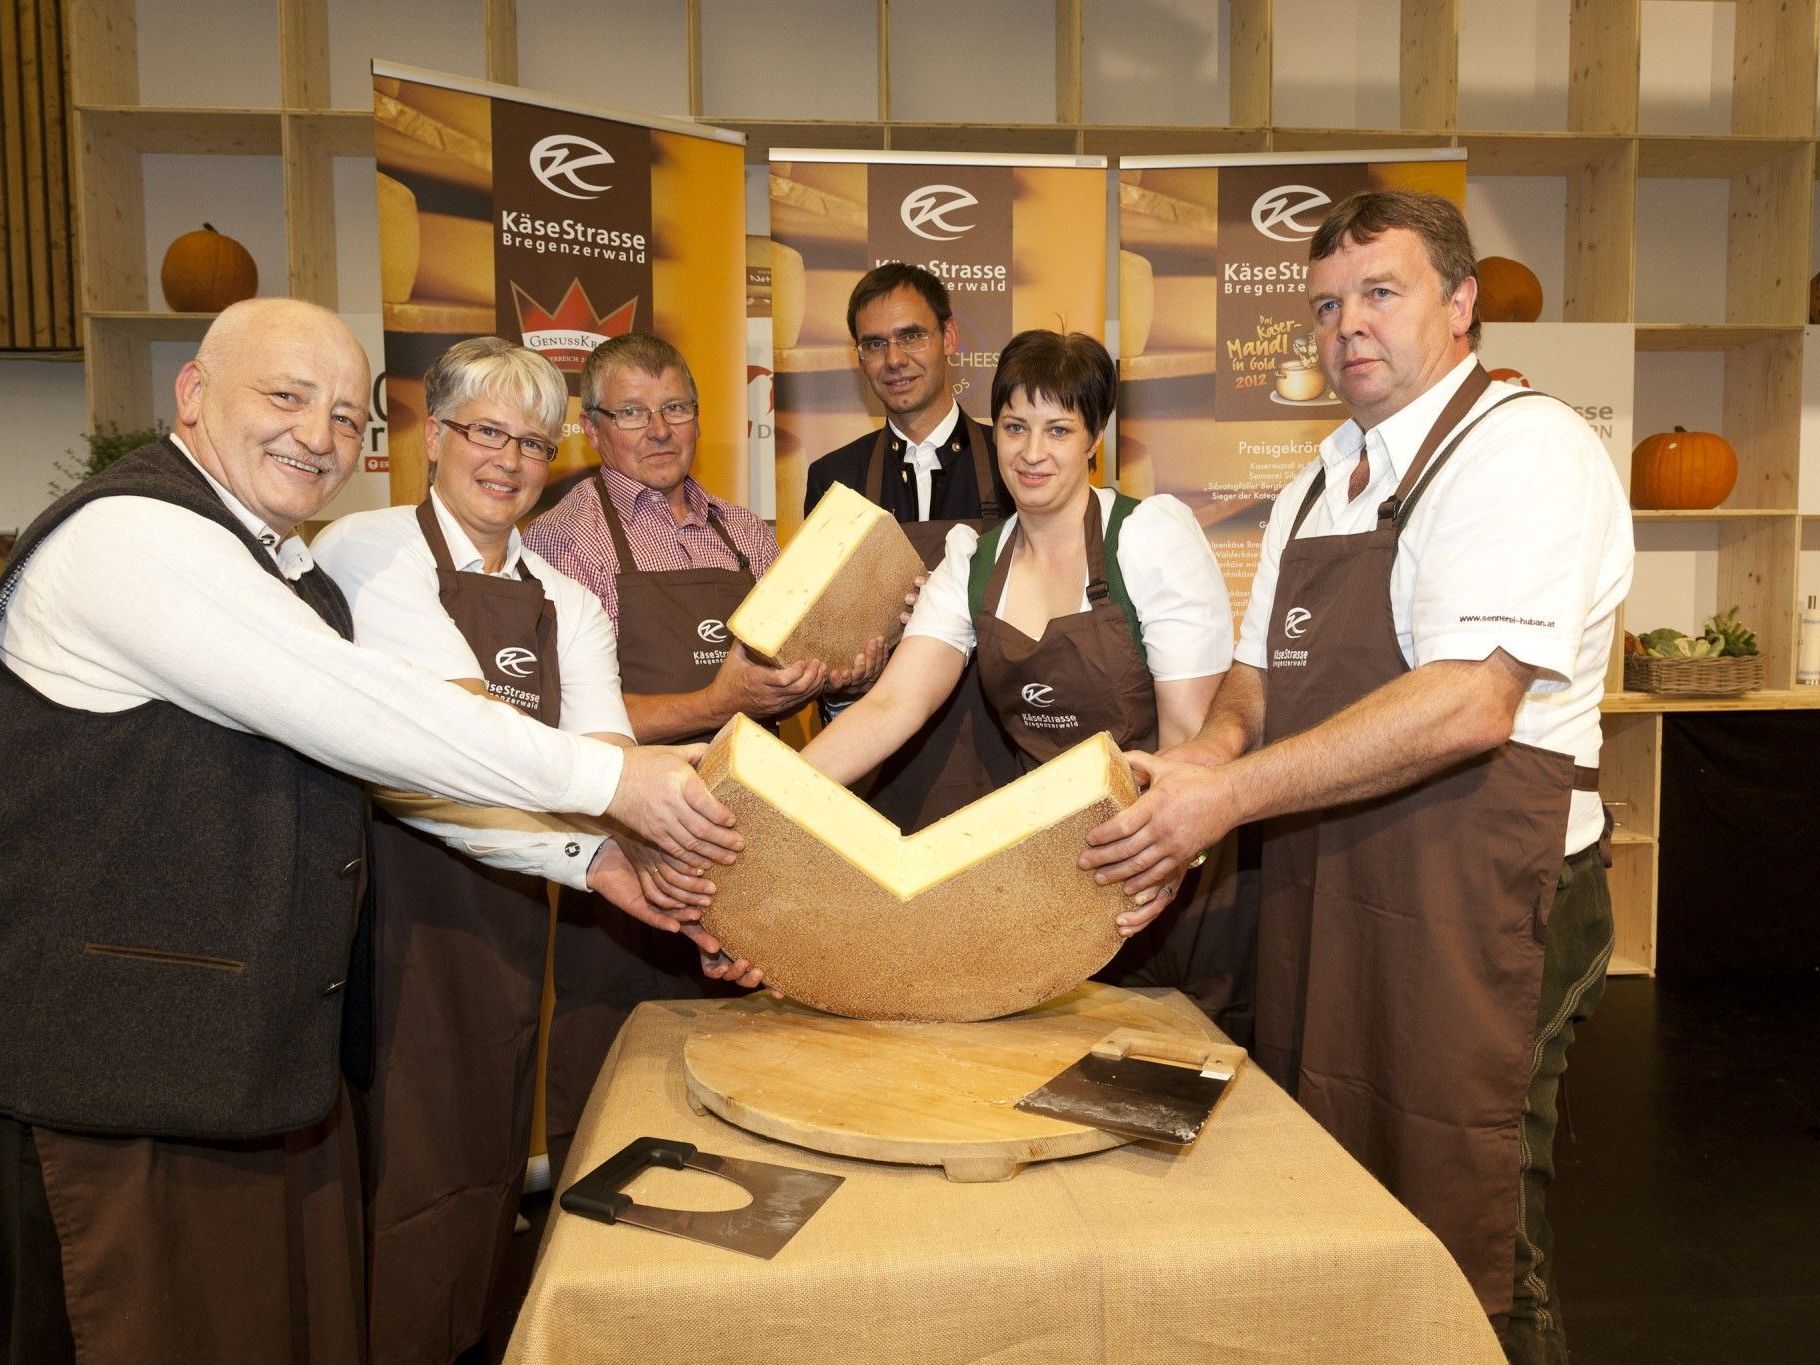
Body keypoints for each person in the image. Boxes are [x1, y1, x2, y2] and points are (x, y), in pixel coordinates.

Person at [0, 299, 736, 1365]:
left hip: (247, 1056)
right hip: (128, 1076)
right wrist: (613, 783)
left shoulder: (282, 560)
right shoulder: (135, 535)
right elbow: (376, 720)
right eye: (286, 397)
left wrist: (588, 853)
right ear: (194, 394)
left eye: (347, 417)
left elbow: (390, 781)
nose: (319, 434)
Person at [1080, 191, 1633, 1363]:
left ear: (1460, 302)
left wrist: (1221, 804)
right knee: (1333, 1189)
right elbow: (1252, 680)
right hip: (1337, 881)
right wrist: (1199, 763)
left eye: (1380, 293)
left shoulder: (1521, 447)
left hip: (1481, 894)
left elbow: (1471, 699)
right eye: (1326, 306)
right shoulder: (1316, 480)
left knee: (1469, 1212)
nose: (1347, 327)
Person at [311, 336, 727, 1364]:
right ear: (432, 436)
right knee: (391, 1155)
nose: (506, 458)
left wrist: (690, 881)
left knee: (487, 1147)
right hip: (381, 905)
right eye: (484, 432)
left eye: (532, 442)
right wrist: (608, 833)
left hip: (510, 901)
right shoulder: (364, 552)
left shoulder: (565, 599)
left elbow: (602, 766)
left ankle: (460, 1340)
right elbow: (447, 743)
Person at [523, 332, 879, 1181]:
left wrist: (834, 674)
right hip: (628, 856)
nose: (659, 429)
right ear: (592, 426)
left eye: (676, 408)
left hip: (760, 851)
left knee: (766, 1084)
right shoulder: (563, 541)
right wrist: (718, 703)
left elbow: (781, 677)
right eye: (634, 412)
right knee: (619, 1081)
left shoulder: (745, 534)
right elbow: (567, 726)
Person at [772, 331, 1234, 979]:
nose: (1033, 453)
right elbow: (891, 705)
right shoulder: (974, 560)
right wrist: (769, 801)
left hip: (1158, 874)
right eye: (1015, 427)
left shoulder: (1149, 538)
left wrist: (1163, 859)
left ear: (1093, 438)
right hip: (1042, 876)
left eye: (1058, 429)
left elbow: (1192, 736)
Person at [800, 262, 1020, 831]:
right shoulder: (834, 478)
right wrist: (844, 676)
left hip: (1000, 751)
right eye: (874, 344)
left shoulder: (1017, 462)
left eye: (911, 335)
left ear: (949, 338)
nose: (893, 359)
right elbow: (822, 631)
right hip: (879, 766)